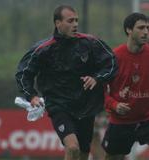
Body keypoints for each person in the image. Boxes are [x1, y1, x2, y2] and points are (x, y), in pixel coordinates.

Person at [15, 5, 117, 160]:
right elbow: (23, 73)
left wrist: (96, 78)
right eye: (70, 21)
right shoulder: (43, 49)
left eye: (76, 20)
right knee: (72, 147)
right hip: (58, 106)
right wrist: (32, 96)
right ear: (58, 23)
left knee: (83, 151)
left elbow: (111, 62)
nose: (75, 24)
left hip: (86, 106)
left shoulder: (90, 43)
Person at [102, 12, 149, 160]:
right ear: (129, 30)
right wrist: (114, 105)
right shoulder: (114, 57)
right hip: (121, 121)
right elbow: (101, 89)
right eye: (141, 28)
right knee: (113, 157)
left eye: (147, 28)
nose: (146, 32)